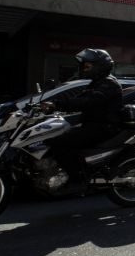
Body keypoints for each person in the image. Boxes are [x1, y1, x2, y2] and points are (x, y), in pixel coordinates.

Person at [42, 49, 123, 184]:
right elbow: (78, 99)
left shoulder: (108, 84)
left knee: (60, 143)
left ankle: (77, 179)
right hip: (92, 125)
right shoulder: (96, 83)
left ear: (100, 66)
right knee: (52, 135)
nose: (84, 69)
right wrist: (54, 106)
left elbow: (87, 101)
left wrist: (57, 104)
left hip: (103, 127)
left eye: (87, 66)